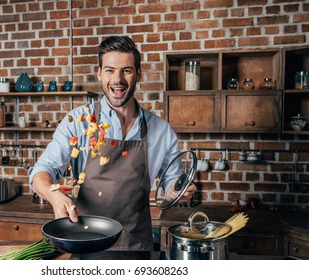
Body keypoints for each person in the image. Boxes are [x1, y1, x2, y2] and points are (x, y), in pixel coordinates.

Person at [29, 35, 197, 251]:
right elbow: (42, 171)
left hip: (136, 246)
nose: (117, 79)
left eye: (126, 70)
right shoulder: (78, 122)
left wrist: (178, 191)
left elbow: (171, 184)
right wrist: (54, 196)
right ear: (99, 73)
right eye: (109, 70)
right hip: (85, 241)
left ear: (138, 73)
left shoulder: (161, 131)